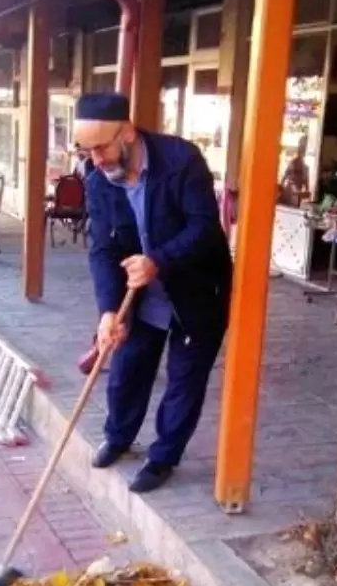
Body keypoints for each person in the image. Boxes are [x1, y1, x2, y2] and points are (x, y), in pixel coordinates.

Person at [77, 92, 233, 494]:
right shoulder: (98, 181)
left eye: (101, 147)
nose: (96, 160)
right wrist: (109, 311)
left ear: (127, 133)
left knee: (185, 379)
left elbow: (204, 229)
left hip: (196, 288)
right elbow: (102, 249)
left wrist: (157, 260)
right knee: (128, 368)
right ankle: (119, 435)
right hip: (141, 294)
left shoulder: (181, 161)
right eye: (87, 150)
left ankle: (163, 457)